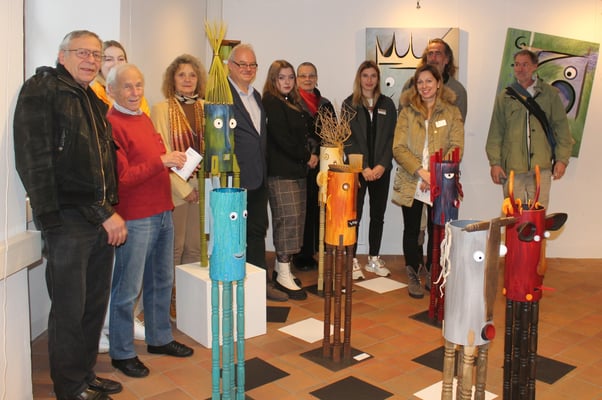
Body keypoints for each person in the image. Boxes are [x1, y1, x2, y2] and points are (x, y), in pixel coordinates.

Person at [14, 30, 125, 400]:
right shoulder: (42, 89)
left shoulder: (91, 97)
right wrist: (53, 217)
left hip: (99, 218)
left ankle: (84, 375)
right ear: (62, 55)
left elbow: (99, 163)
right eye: (82, 53)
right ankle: (70, 387)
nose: (90, 60)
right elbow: (37, 159)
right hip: (68, 220)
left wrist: (108, 208)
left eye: (96, 54)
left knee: (92, 306)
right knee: (69, 310)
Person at [106, 63, 194, 378]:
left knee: (161, 281)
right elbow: (123, 178)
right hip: (136, 217)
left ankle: (159, 338)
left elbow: (156, 161)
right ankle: (122, 352)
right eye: (127, 86)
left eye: (139, 85)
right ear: (111, 90)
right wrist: (162, 161)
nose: (134, 92)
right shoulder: (111, 124)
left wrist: (174, 162)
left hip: (162, 211)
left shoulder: (142, 117)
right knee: (128, 289)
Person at [89, 39, 146, 354]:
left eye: (120, 58)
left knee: (127, 270)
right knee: (106, 271)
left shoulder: (136, 103)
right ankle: (100, 327)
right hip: (107, 201)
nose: (114, 63)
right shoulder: (97, 101)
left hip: (131, 200)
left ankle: (123, 320)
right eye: (107, 58)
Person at [392, 64, 464, 299]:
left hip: (441, 179)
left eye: (429, 81)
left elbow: (457, 147)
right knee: (412, 229)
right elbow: (398, 148)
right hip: (413, 178)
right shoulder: (407, 112)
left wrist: (435, 173)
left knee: (437, 230)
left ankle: (434, 272)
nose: (424, 86)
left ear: (438, 83)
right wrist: (422, 173)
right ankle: (413, 272)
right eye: (420, 82)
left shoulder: (451, 112)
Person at [227, 44, 288, 301]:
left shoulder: (256, 97)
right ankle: (234, 287)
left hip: (259, 177)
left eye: (252, 64)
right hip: (234, 180)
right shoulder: (222, 96)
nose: (248, 69)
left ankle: (258, 286)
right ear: (230, 65)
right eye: (242, 64)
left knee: (257, 231)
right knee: (234, 235)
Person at [151, 54, 207, 320]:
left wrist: (202, 185)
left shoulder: (206, 108)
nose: (187, 79)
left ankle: (188, 295)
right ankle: (169, 299)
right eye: (181, 74)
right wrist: (184, 190)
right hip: (174, 187)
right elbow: (160, 151)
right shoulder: (161, 109)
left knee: (195, 246)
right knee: (175, 246)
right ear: (172, 79)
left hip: (201, 185)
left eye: (192, 75)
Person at [486, 49, 573, 209]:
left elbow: (562, 129)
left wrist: (562, 160)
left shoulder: (550, 94)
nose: (520, 69)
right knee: (513, 216)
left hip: (541, 168)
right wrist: (495, 163)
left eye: (525, 64)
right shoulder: (505, 97)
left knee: (538, 215)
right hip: (512, 169)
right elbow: (495, 132)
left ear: (535, 66)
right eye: (517, 65)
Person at [263, 59, 316, 300]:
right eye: (281, 77)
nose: (287, 81)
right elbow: (282, 139)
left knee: (296, 220)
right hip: (281, 173)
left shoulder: (291, 100)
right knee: (287, 220)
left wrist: (311, 153)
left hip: (296, 171)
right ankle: (283, 272)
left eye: (290, 77)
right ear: (273, 80)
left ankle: (281, 268)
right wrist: (307, 156)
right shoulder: (271, 102)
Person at [342, 60, 397, 280]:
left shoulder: (387, 104)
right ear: (359, 78)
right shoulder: (349, 104)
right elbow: (347, 139)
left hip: (382, 170)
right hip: (358, 171)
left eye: (373, 76)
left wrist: (382, 165)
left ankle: (374, 258)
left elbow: (393, 137)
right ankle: (352, 259)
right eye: (365, 75)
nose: (369, 80)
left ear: (378, 79)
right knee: (354, 216)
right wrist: (363, 167)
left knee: (377, 216)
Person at [293, 62, 336, 271]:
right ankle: (300, 255)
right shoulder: (292, 103)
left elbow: (332, 135)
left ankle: (316, 250)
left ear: (317, 78)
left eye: (311, 75)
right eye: (303, 76)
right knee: (300, 210)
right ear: (297, 79)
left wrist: (319, 154)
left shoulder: (325, 105)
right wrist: (307, 155)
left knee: (318, 209)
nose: (307, 79)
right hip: (299, 165)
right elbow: (291, 135)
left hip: (321, 166)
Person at [90, 40, 150, 115]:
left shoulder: (136, 94)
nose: (116, 64)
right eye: (109, 59)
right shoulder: (92, 95)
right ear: (99, 65)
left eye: (121, 59)